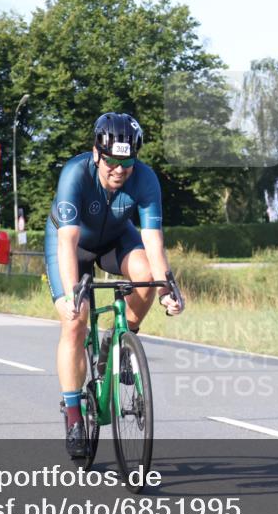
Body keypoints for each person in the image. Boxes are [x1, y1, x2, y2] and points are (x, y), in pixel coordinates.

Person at [44, 112, 184, 457]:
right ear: (96, 153)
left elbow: (154, 243)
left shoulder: (146, 179)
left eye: (127, 162)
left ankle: (119, 343)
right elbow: (66, 243)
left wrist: (168, 288)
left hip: (116, 239)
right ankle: (74, 415)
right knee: (74, 321)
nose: (119, 170)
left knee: (145, 276)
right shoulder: (75, 174)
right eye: (112, 162)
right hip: (71, 244)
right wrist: (73, 295)